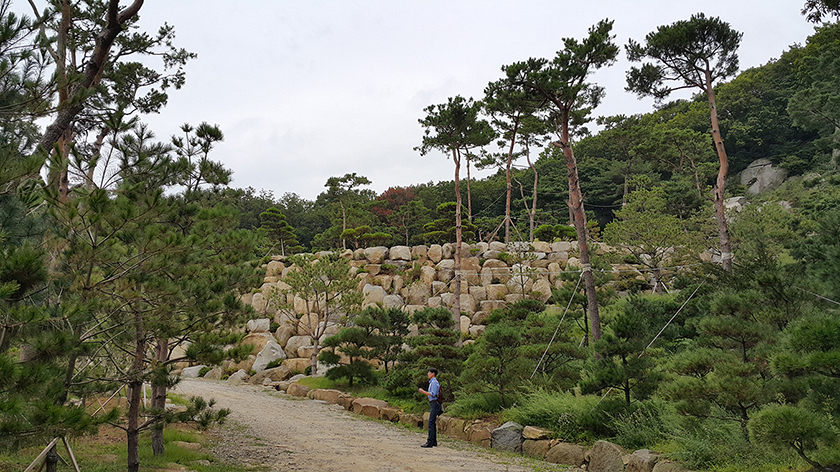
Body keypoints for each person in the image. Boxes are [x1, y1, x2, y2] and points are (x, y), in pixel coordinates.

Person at [418, 367, 441, 447]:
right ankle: (433, 441)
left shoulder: (434, 382)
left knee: (431, 422)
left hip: (434, 403)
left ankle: (430, 441)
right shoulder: (433, 382)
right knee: (432, 422)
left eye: (429, 373)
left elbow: (433, 393)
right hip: (433, 403)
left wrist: (423, 392)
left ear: (433, 374)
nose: (428, 374)